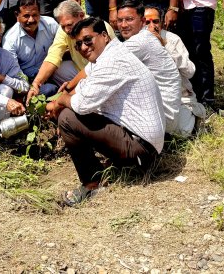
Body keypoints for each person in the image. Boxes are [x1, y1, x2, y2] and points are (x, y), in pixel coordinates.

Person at [47, 17, 164, 205]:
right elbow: (84, 87)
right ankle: (111, 165)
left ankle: (92, 184)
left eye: (88, 40)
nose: (84, 47)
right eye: (78, 45)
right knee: (75, 109)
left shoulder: (112, 62)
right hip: (144, 142)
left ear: (104, 36)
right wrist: (65, 97)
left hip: (142, 150)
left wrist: (60, 101)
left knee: (68, 118)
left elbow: (82, 104)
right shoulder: (108, 55)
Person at [116, 1, 197, 137]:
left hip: (180, 99)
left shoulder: (172, 39)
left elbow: (190, 72)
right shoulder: (133, 41)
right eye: (147, 22)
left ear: (162, 23)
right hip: (149, 101)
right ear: (142, 22)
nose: (152, 26)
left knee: (181, 133)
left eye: (156, 21)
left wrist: (164, 47)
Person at [26, 0, 116, 102]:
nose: (66, 30)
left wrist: (70, 89)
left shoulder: (100, 28)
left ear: (81, 15)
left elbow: (98, 68)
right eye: (63, 26)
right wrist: (36, 83)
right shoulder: (65, 30)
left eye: (69, 25)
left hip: (102, 74)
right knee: (56, 69)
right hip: (83, 70)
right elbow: (53, 56)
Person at [2, 0, 61, 95]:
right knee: (50, 90)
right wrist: (29, 86)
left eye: (35, 15)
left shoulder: (50, 24)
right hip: (26, 78)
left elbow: (64, 46)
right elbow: (13, 71)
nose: (31, 20)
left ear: (40, 13)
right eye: (26, 16)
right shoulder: (10, 39)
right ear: (17, 15)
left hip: (50, 70)